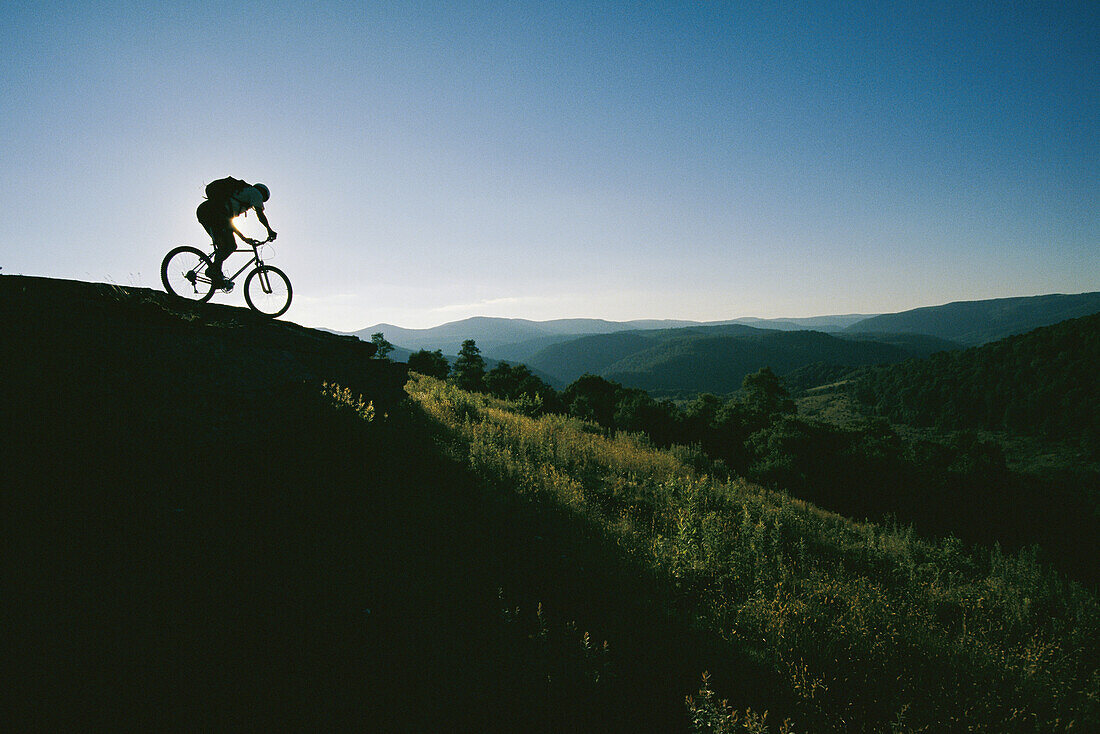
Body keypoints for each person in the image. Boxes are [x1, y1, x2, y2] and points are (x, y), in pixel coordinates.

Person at [196, 180, 277, 289]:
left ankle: (216, 275)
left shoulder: (242, 196)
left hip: (209, 212)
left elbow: (228, 222)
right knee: (228, 246)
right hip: (211, 213)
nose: (260, 202)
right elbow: (260, 213)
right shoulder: (255, 193)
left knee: (228, 246)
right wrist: (269, 230)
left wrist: (244, 238)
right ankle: (213, 271)